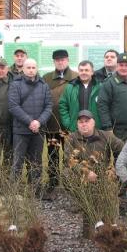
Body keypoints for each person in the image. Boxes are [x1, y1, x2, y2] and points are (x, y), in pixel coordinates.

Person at [9, 58, 52, 189]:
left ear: (37, 69)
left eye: (33, 67)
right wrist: (30, 121)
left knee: (36, 162)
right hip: (21, 130)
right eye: (28, 67)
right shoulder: (15, 84)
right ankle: (13, 191)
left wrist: (39, 122)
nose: (31, 70)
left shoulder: (44, 85)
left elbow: (49, 106)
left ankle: (36, 189)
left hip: (38, 130)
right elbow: (13, 106)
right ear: (23, 69)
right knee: (18, 161)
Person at [42, 49, 78, 192]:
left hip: (69, 125)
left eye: (63, 59)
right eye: (57, 60)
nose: (60, 62)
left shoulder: (76, 77)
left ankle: (70, 182)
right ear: (54, 62)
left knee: (70, 154)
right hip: (52, 124)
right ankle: (53, 181)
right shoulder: (46, 78)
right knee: (53, 153)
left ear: (67, 60)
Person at [64, 110, 124, 182]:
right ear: (77, 125)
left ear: (93, 123)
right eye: (81, 122)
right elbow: (68, 160)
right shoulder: (71, 138)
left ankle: (117, 191)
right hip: (81, 177)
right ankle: (77, 193)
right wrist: (85, 172)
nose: (84, 124)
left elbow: (122, 149)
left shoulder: (106, 135)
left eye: (87, 121)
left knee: (122, 171)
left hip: (103, 175)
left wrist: (114, 168)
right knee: (66, 173)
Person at [97, 52, 127, 141]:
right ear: (117, 66)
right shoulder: (109, 83)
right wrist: (108, 128)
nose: (124, 68)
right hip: (117, 133)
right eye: (121, 65)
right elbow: (102, 106)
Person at [59, 60, 101, 132]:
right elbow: (63, 106)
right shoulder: (70, 87)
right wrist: (68, 124)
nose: (83, 72)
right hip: (75, 129)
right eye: (81, 70)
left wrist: (101, 124)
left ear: (92, 72)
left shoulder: (100, 87)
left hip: (95, 129)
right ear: (78, 72)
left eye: (86, 70)